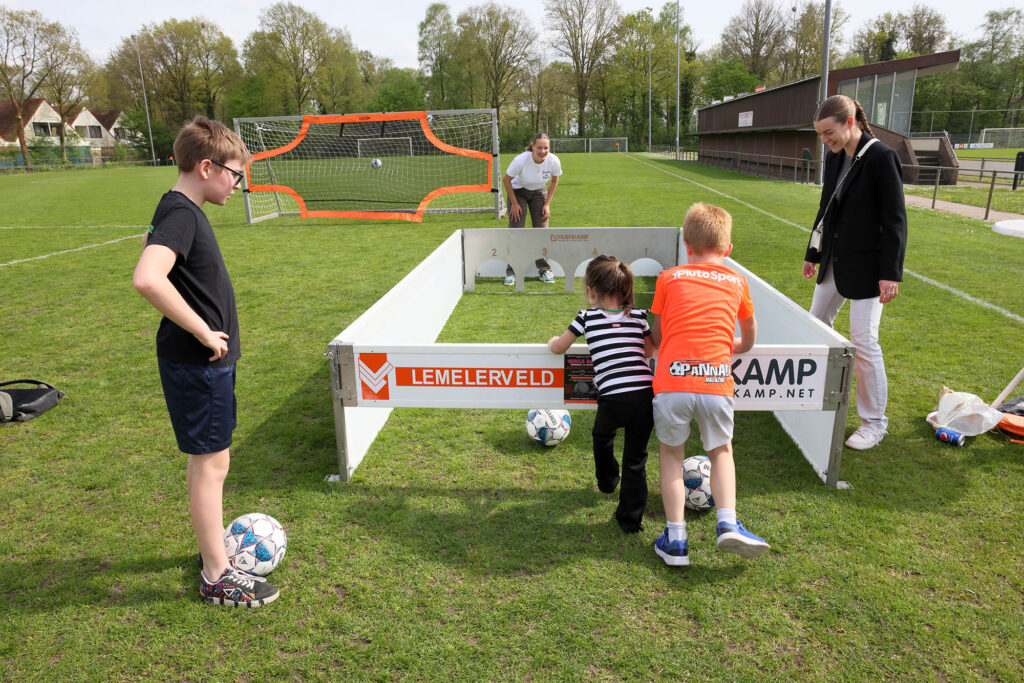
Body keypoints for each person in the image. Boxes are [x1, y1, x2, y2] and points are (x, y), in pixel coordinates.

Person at [132, 116, 280, 607]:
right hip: (197, 362)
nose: (239, 185)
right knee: (211, 462)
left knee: (212, 459)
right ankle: (217, 573)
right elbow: (148, 277)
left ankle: (213, 553)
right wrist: (200, 329)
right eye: (235, 175)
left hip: (201, 362)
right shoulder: (181, 213)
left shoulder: (183, 209)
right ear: (206, 165)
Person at [649, 203, 768, 567]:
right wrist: (728, 347)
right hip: (716, 382)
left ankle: (676, 540)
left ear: (686, 243)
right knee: (721, 452)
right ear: (728, 249)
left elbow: (656, 333)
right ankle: (727, 522)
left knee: (671, 455)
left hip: (672, 383)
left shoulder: (668, 278)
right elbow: (748, 338)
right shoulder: (737, 281)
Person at [803, 94, 907, 451]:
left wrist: (890, 272)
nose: (824, 141)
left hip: (869, 268)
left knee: (864, 342)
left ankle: (874, 423)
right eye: (820, 135)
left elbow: (895, 219)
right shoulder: (835, 158)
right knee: (815, 322)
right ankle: (819, 395)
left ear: (850, 122)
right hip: (835, 259)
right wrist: (813, 253)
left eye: (828, 133)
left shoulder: (882, 157)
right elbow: (825, 207)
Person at [548, 256, 655, 533]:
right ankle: (630, 521)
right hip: (644, 396)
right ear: (625, 290)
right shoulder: (639, 316)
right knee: (636, 460)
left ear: (591, 290)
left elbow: (560, 347)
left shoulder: (587, 317)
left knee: (601, 438)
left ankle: (607, 480)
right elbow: (649, 352)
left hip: (612, 399)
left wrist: (551, 343)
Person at [502, 132, 562, 285]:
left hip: (539, 192)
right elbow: (506, 180)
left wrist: (547, 204)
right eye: (539, 148)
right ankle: (512, 271)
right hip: (518, 191)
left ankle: (544, 270)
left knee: (541, 232)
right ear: (533, 147)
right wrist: (514, 203)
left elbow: (554, 182)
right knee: (517, 230)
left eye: (546, 148)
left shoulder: (554, 161)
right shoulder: (521, 160)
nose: (543, 151)